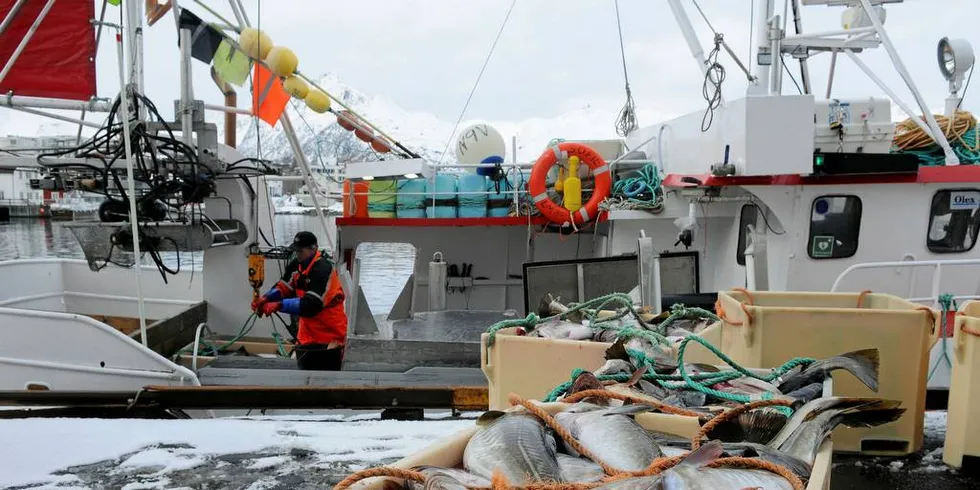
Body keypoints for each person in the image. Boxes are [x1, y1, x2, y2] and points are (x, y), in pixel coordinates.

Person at [251, 231, 348, 370]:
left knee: (327, 373)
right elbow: (284, 287)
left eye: (300, 251)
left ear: (313, 249)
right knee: (304, 371)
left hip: (330, 333)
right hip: (307, 333)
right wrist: (265, 299)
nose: (297, 254)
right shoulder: (298, 264)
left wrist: (278, 305)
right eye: (296, 250)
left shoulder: (322, 269)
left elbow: (311, 306)